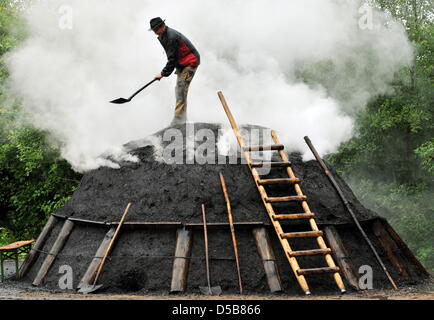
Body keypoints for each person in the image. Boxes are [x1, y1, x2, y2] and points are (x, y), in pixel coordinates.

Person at [149, 17, 200, 125]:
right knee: (179, 89)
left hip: (190, 62)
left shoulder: (171, 36)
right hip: (182, 64)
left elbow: (172, 59)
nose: (155, 33)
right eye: (153, 30)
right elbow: (174, 57)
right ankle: (182, 118)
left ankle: (179, 120)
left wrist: (162, 74)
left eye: (156, 30)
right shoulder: (163, 35)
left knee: (181, 88)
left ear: (162, 26)